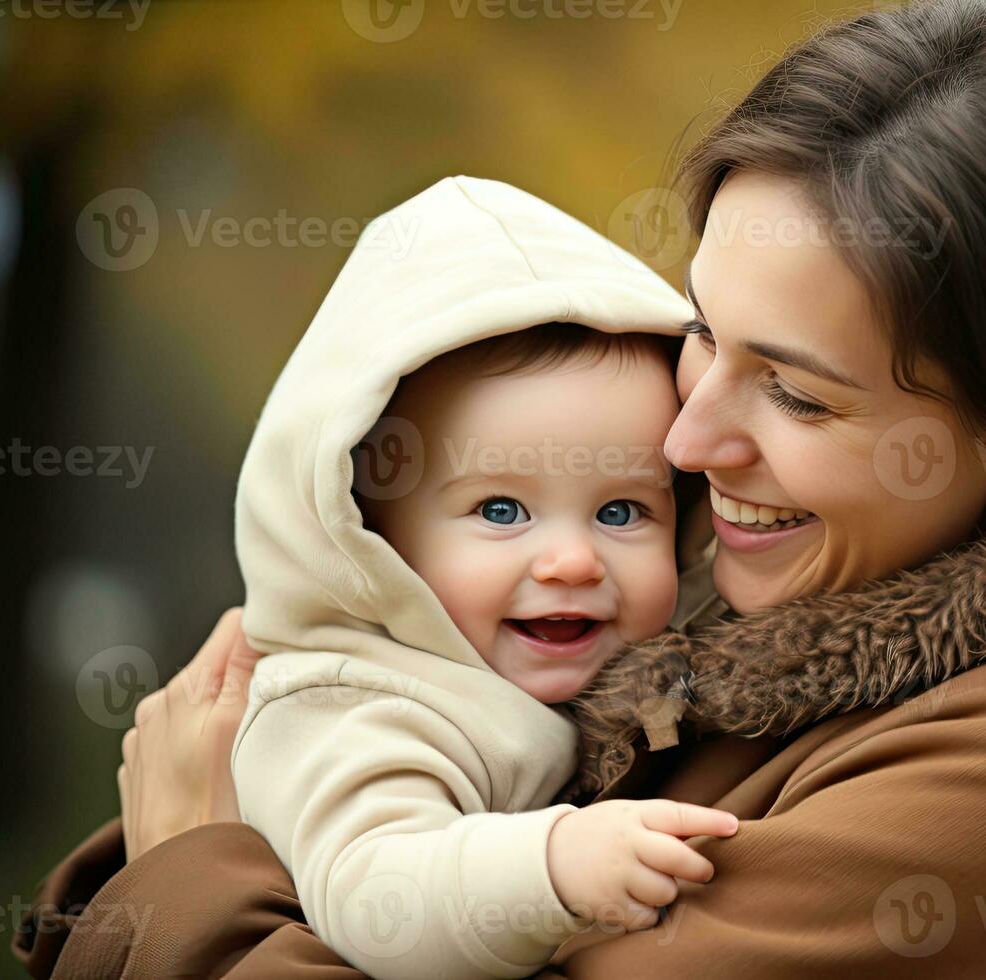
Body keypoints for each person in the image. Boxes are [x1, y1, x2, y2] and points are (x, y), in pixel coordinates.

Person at [14, 1, 986, 977]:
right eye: (700, 330)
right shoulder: (747, 607)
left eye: (797, 394)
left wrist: (185, 871)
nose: (685, 441)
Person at [223, 175, 739, 979]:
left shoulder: (676, 653)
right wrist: (551, 865)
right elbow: (375, 890)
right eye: (501, 512)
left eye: (620, 512)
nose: (572, 561)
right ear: (371, 539)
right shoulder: (356, 705)